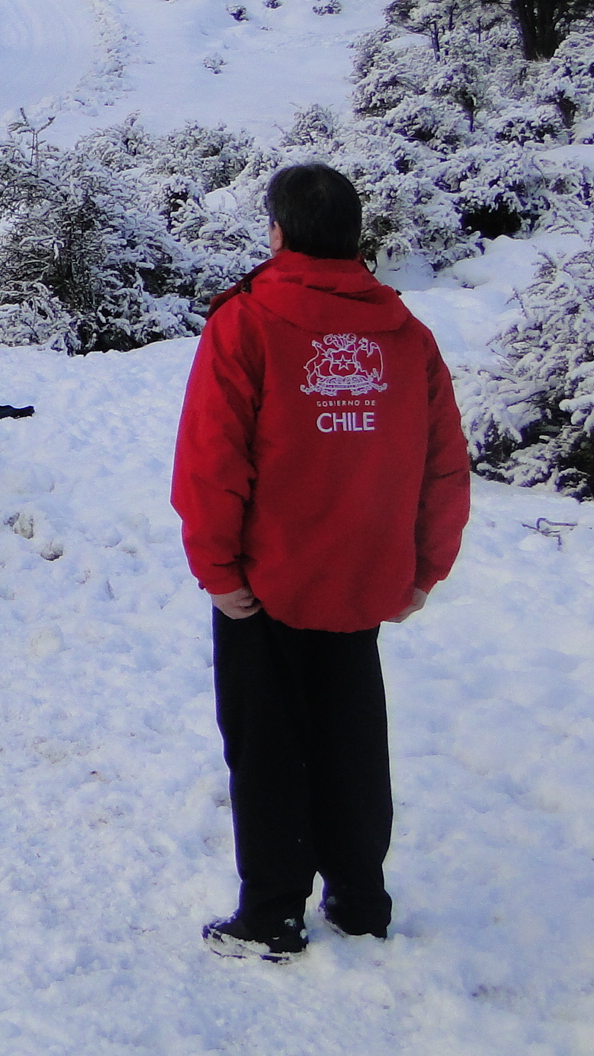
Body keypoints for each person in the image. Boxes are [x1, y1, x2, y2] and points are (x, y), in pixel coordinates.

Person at [172, 163, 469, 960]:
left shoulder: (246, 321)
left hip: (266, 582)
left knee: (267, 744)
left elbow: (212, 458)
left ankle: (272, 911)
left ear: (278, 232)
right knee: (351, 734)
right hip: (361, 576)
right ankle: (360, 898)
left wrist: (218, 569)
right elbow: (446, 462)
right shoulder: (404, 332)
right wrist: (422, 569)